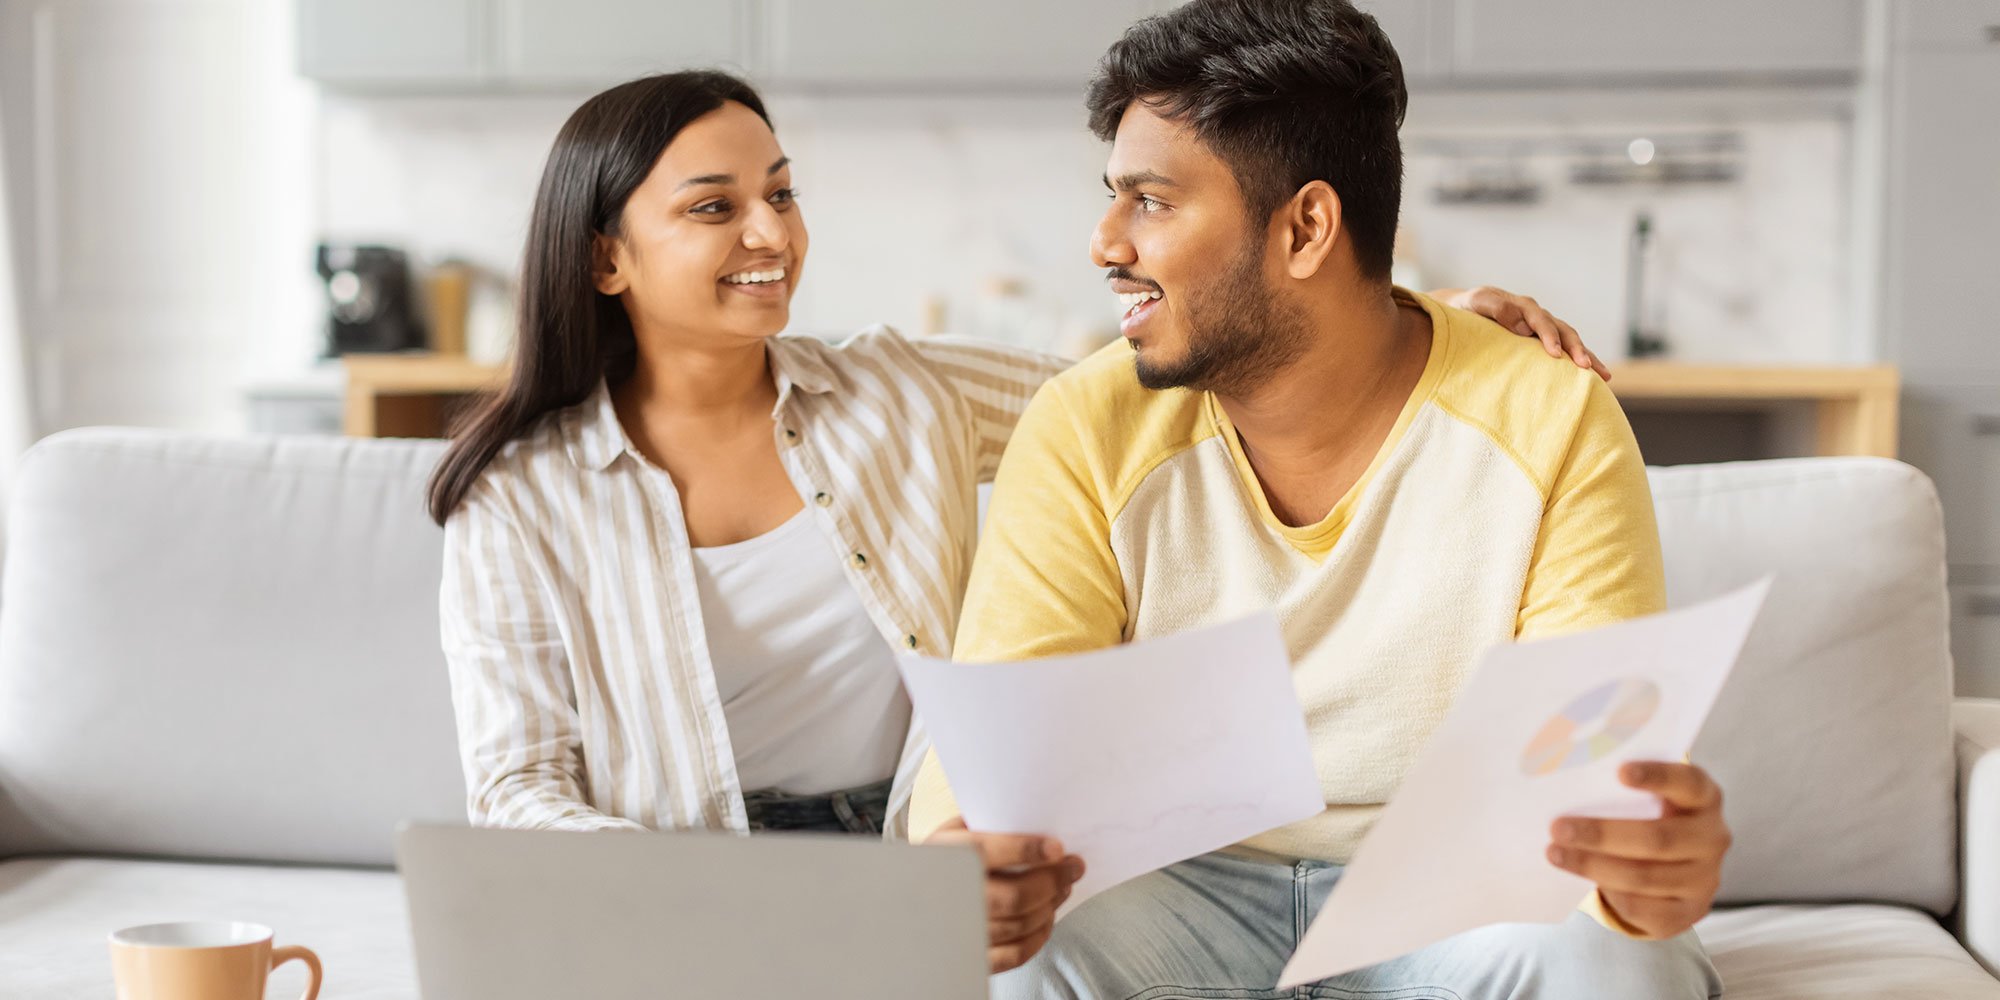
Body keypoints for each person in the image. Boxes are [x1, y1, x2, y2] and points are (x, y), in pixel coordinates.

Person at [428, 67, 1603, 905]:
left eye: (779, 192)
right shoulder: (518, 498)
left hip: (917, 862)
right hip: (691, 885)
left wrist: (1402, 320)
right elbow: (519, 789)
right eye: (712, 207)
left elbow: (1167, 370)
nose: (770, 233)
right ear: (603, 257)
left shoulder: (895, 392)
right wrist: (727, 894)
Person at [909, 2, 1729, 997]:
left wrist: (1640, 879)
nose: (1103, 241)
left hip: (1449, 894)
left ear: (1305, 227)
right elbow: (1004, 747)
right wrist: (969, 860)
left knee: (1598, 964)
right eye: (1111, 197)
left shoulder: (1546, 417)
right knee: (1000, 966)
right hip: (1173, 896)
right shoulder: (1084, 426)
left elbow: (1589, 788)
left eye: (1151, 201)